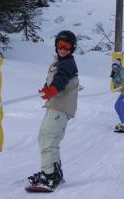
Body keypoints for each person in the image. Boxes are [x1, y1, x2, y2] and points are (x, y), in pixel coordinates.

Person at [27, 30, 79, 190]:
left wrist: (54, 89)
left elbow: (61, 79)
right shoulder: (60, 62)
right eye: (60, 45)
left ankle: (49, 177)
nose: (63, 49)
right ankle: (53, 172)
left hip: (60, 107)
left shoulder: (67, 63)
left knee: (48, 139)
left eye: (67, 46)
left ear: (72, 48)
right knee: (45, 138)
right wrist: (47, 88)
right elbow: (55, 79)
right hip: (56, 106)